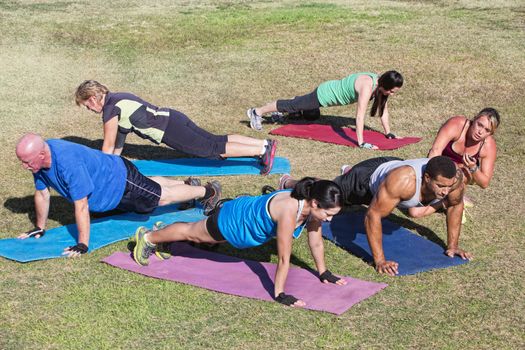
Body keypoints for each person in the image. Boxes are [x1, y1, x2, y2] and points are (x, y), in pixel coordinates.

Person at [132, 177, 347, 308]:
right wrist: (280, 293)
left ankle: (162, 235)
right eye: (328, 214)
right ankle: (149, 237)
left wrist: (324, 272)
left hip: (244, 217)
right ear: (316, 203)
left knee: (197, 235)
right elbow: (284, 257)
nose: (329, 219)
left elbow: (316, 241)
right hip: (233, 221)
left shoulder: (311, 206)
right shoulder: (289, 211)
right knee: (193, 233)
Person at [15, 133, 222, 258]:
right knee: (151, 187)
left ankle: (207, 191)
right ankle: (185, 185)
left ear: (42, 154)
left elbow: (81, 205)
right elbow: (42, 194)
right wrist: (39, 227)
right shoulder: (40, 165)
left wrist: (83, 243)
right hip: (111, 186)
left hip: (120, 180)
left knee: (161, 197)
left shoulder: (67, 164)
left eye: (26, 161)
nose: (24, 167)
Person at [280, 156, 471, 276]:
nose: (446, 191)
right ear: (427, 178)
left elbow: (455, 205)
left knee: (412, 208)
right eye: (441, 186)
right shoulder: (403, 181)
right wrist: (379, 260)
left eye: (448, 186)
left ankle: (348, 171)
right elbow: (372, 216)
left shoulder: (454, 182)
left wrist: (453, 246)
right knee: (329, 192)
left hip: (391, 174)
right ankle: (289, 182)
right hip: (365, 180)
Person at [75, 80, 277, 175]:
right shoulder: (118, 98)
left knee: (212, 151)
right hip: (173, 117)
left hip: (169, 130)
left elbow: (108, 145)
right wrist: (114, 162)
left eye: (86, 105)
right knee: (215, 140)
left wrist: (101, 170)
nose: (89, 109)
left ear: (93, 98)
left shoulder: (110, 109)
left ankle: (262, 151)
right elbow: (120, 138)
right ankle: (264, 143)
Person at [246, 70, 403, 149]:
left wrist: (388, 132)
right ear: (386, 85)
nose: (392, 94)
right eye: (392, 91)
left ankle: (295, 106)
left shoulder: (379, 86)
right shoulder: (367, 86)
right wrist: (361, 143)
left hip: (326, 97)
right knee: (293, 105)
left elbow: (384, 110)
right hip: (324, 94)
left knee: (312, 115)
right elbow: (360, 116)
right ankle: (257, 112)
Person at [428, 107, 500, 189]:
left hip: (459, 176)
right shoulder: (457, 125)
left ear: (491, 133)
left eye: (487, 130)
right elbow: (435, 151)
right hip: (439, 163)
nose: (480, 132)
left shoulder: (488, 145)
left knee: (464, 173)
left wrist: (473, 167)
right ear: (474, 119)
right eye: (479, 125)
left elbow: (484, 183)